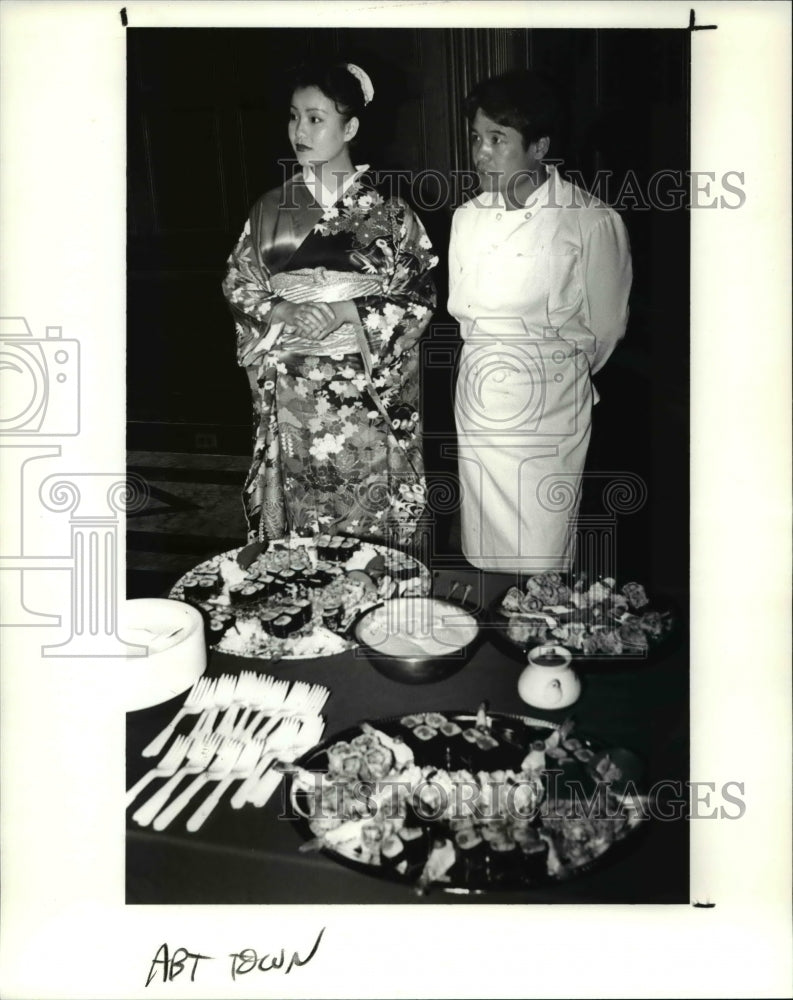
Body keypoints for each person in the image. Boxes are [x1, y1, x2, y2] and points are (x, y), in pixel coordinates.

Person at [223, 61, 437, 545]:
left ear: (351, 127)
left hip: (362, 390)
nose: (300, 130)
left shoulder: (388, 213)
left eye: (316, 119)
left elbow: (418, 298)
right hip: (294, 384)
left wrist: (348, 311)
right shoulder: (269, 208)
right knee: (302, 513)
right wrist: (281, 310)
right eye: (294, 116)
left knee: (367, 507)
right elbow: (240, 281)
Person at [448, 70, 632, 572]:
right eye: (475, 139)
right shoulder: (466, 217)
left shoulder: (590, 221)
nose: (481, 153)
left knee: (543, 546)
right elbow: (464, 311)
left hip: (550, 404)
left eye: (497, 139)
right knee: (484, 548)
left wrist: (555, 373)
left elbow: (607, 329)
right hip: (481, 396)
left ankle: (544, 641)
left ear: (539, 146)